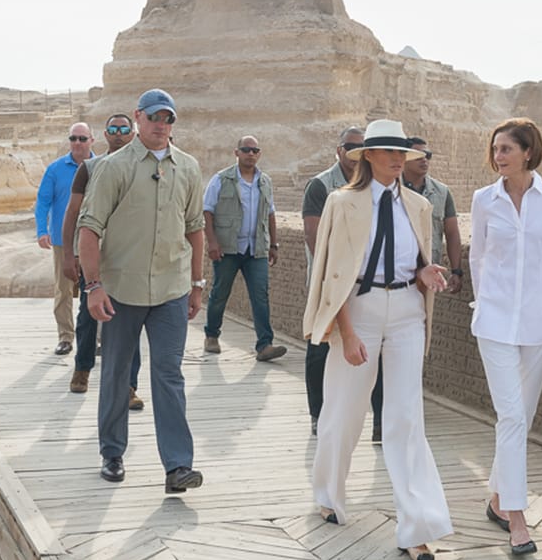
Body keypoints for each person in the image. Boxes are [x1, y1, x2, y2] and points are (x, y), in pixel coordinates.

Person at [304, 119, 452, 560]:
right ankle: (328, 492)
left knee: (406, 418)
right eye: (386, 150)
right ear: (366, 155)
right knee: (344, 412)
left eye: (401, 150)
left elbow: (416, 259)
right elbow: (333, 272)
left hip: (407, 312)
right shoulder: (340, 203)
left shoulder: (419, 206)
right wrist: (346, 333)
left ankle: (417, 527)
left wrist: (424, 273)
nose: (396, 157)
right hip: (360, 312)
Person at [77, 88, 206, 494]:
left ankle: (177, 466)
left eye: (167, 119)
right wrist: (93, 287)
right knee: (116, 374)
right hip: (121, 292)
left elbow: (195, 228)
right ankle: (112, 452)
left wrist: (197, 284)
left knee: (169, 375)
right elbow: (89, 228)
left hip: (170, 288)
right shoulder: (113, 168)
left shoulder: (187, 167)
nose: (161, 125)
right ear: (138, 118)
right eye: (154, 118)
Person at [469, 118, 542, 556]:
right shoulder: (484, 200)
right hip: (495, 324)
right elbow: (477, 257)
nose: (498, 156)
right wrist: (484, 304)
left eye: (506, 149)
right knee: (513, 415)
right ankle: (517, 520)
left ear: (527, 152)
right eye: (495, 148)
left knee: (522, 415)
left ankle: (498, 498)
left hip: (541, 323)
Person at [301, 126, 382, 436]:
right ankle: (318, 415)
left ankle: (378, 422)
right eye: (349, 146)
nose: (354, 152)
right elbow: (315, 238)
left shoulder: (377, 187)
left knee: (377, 349)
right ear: (338, 150)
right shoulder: (321, 186)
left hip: (368, 287)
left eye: (361, 147)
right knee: (320, 346)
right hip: (330, 286)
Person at [59, 113, 143, 405]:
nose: (119, 133)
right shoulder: (90, 169)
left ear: (132, 133)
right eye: (113, 129)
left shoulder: (141, 169)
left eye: (124, 128)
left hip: (131, 256)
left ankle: (129, 386)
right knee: (87, 316)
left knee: (131, 320)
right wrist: (69, 254)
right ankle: (82, 369)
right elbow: (73, 213)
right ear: (105, 134)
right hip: (95, 254)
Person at [202, 135, 285, 362]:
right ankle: (211, 334)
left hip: (256, 248)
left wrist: (274, 245)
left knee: (261, 295)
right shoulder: (221, 179)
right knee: (220, 293)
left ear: (259, 154)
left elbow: (270, 214)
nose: (250, 154)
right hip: (228, 247)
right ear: (236, 153)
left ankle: (264, 345)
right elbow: (207, 211)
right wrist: (212, 242)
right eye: (246, 149)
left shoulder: (264, 181)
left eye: (255, 150)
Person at [36, 122, 95, 355]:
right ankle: (65, 337)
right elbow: (43, 201)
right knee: (63, 290)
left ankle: (96, 337)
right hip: (63, 239)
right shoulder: (55, 169)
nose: (77, 143)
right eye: (73, 139)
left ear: (92, 140)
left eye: (82, 138)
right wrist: (42, 230)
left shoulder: (102, 167)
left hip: (94, 239)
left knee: (95, 286)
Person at [401, 138, 463, 292]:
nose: (424, 160)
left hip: (429, 274)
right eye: (418, 155)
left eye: (427, 155)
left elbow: (452, 233)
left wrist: (456, 271)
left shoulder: (442, 192)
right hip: (398, 273)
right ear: (404, 158)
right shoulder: (392, 190)